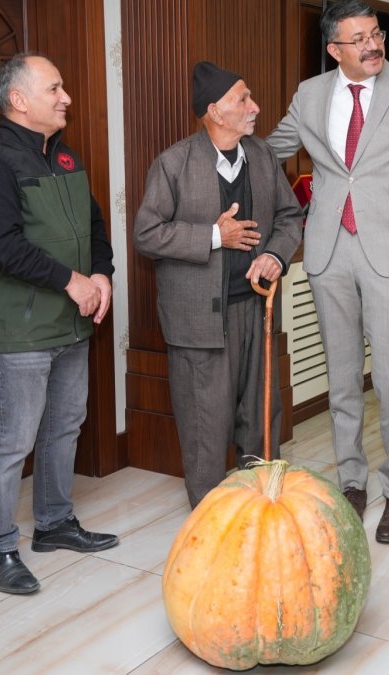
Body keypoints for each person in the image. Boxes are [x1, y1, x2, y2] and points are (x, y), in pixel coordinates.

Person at [266, 0, 389, 544]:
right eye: (359, 39)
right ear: (334, 50)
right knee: (342, 378)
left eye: (376, 34)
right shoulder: (309, 94)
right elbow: (271, 150)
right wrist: (216, 142)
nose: (373, 46)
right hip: (328, 249)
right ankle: (351, 481)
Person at [0, 53, 119, 595]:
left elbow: (95, 221)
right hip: (19, 331)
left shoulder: (64, 155)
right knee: (13, 439)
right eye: (54, 88)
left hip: (70, 324)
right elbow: (3, 249)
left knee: (63, 426)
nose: (66, 98)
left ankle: (53, 524)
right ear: (19, 100)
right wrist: (72, 281)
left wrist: (100, 274)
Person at [133, 62, 303, 508]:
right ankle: (211, 523)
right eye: (243, 99)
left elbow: (289, 216)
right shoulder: (174, 163)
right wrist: (215, 235)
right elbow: (146, 234)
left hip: (258, 311)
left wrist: (274, 254)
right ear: (214, 111)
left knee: (262, 418)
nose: (255, 107)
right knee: (205, 425)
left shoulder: (263, 156)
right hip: (199, 320)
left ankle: (264, 511)